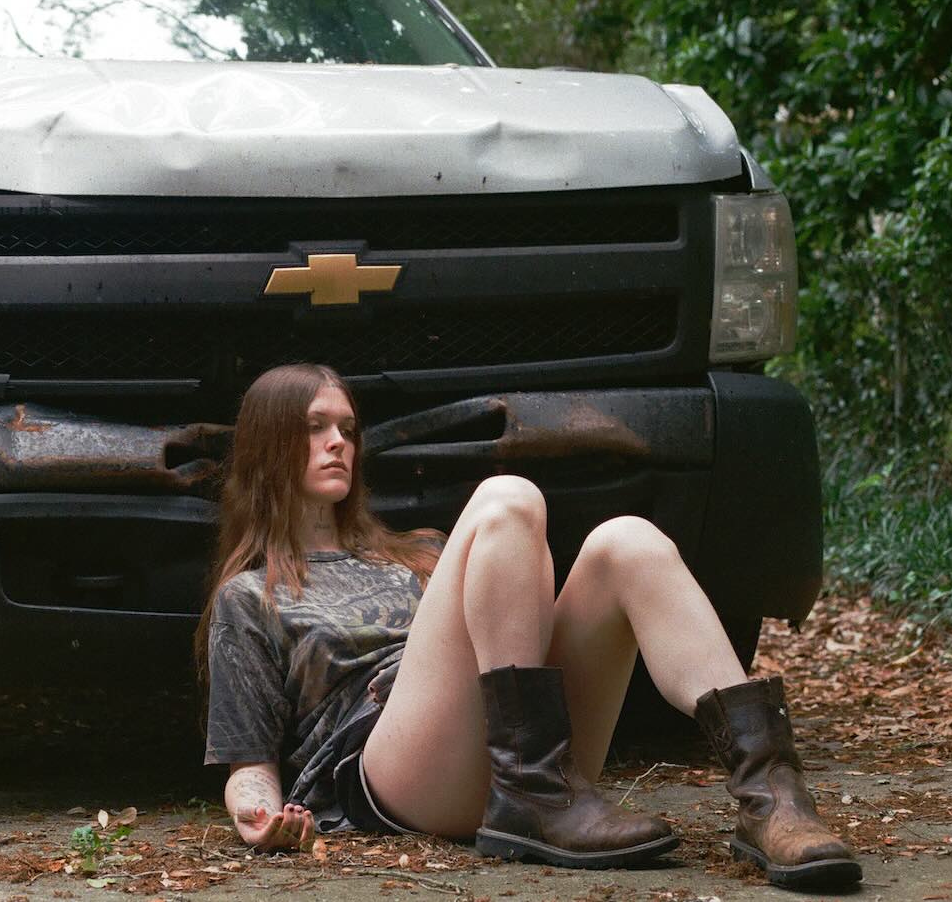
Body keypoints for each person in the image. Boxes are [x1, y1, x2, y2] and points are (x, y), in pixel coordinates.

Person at [198, 364, 861, 891]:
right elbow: (248, 761)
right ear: (268, 446)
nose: (339, 441)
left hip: (525, 749)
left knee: (626, 540)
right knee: (507, 499)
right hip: (397, 772)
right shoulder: (250, 596)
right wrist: (258, 815)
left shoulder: (420, 553)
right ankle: (531, 794)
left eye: (347, 427)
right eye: (314, 427)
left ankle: (772, 793)